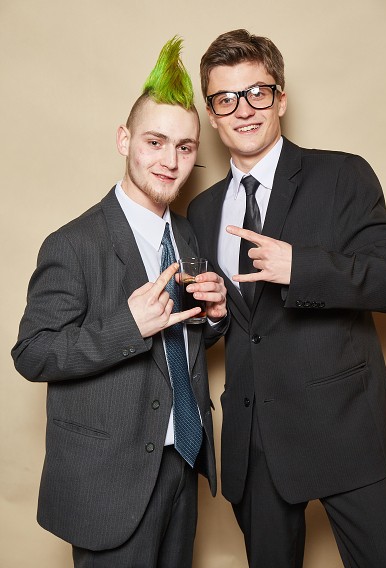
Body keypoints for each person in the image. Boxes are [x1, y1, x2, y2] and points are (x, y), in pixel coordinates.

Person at [187, 29, 386, 568]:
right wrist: (212, 316)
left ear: (280, 98)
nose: (243, 109)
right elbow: (229, 325)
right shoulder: (203, 211)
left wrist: (302, 268)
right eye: (226, 98)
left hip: (348, 433)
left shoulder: (341, 175)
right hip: (255, 445)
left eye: (257, 92)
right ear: (212, 114)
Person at [12, 37, 227, 568]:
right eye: (155, 142)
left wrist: (213, 319)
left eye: (185, 148)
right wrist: (126, 326)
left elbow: (180, 343)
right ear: (124, 139)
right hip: (108, 482)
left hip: (182, 463)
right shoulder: (73, 244)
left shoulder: (187, 236)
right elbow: (32, 353)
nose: (170, 161)